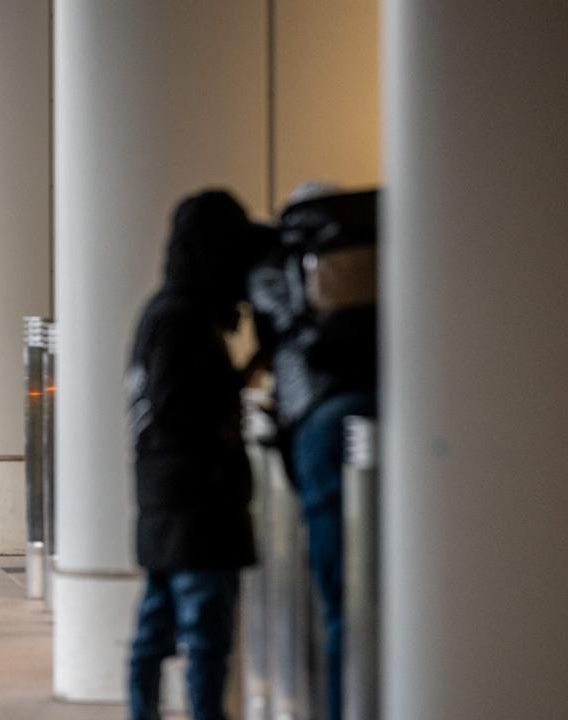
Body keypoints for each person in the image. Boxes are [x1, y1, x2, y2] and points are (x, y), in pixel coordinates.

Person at [125, 190, 270, 720]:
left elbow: (173, 399)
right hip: (196, 505)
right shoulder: (181, 319)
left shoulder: (167, 311)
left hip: (169, 499)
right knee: (203, 637)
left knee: (158, 626)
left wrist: (246, 369)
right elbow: (176, 405)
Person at [247, 183, 379, 720]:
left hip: (319, 422)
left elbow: (279, 349)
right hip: (388, 417)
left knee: (340, 597)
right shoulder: (378, 250)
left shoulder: (277, 263)